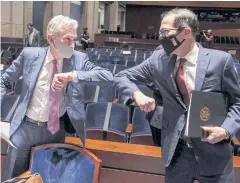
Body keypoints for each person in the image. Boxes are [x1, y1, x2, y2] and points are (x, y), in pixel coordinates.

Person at [114, 8, 240, 183]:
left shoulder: (221, 61)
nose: (161, 36)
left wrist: (226, 130)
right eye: (160, 31)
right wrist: (137, 94)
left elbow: (238, 102)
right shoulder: (159, 58)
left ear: (186, 32)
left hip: (214, 153)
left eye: (166, 32)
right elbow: (122, 76)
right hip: (177, 152)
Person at [1, 15, 113, 180]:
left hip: (56, 130)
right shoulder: (29, 55)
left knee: (49, 177)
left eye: (73, 39)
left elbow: (107, 76)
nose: (72, 45)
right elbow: (3, 81)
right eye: (67, 39)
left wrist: (72, 75)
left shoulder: (78, 59)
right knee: (14, 177)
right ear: (51, 39)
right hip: (25, 128)